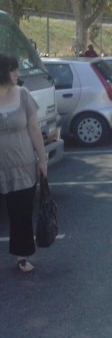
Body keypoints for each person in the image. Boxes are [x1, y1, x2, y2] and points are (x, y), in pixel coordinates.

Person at [0, 54, 48, 273]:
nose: (17, 74)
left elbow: (34, 129)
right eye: (13, 70)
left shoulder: (23, 95)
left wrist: (42, 159)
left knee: (21, 213)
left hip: (23, 165)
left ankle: (22, 256)